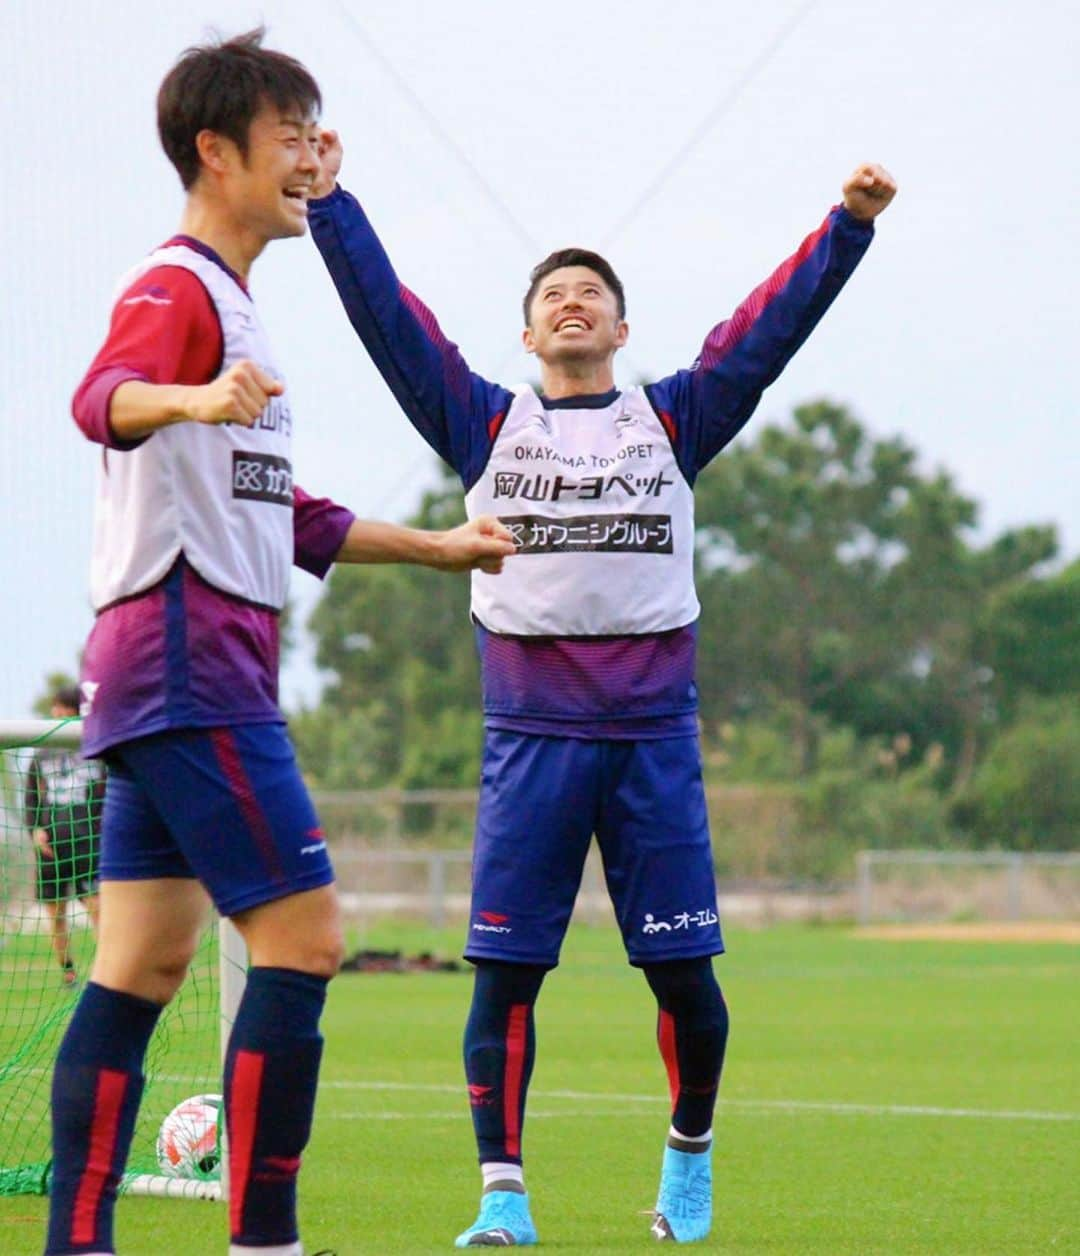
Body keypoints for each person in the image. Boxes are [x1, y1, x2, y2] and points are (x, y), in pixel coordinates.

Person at [308, 137, 896, 1245]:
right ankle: (502, 1198)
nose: (573, 302)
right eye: (553, 296)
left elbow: (763, 336)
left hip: (651, 737)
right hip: (530, 734)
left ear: (621, 330)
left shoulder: (671, 420)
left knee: (686, 981)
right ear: (528, 334)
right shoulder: (485, 422)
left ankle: (687, 1158)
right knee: (504, 976)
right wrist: (333, 203)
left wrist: (847, 226)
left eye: (592, 294)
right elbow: (392, 322)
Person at [46, 31, 515, 1256]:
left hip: (164, 672)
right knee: (304, 941)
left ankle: (75, 1241)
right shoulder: (180, 287)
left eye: (320, 129)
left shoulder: (241, 309)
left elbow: (284, 513)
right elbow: (101, 396)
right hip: (192, 663)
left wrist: (440, 547)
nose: (310, 151)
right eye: (290, 130)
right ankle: (266, 1241)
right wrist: (190, 395)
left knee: (140, 965)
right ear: (218, 150)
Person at [24, 685, 105, 987]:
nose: (58, 713)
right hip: (51, 849)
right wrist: (35, 829)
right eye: (55, 707)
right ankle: (68, 971)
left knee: (99, 909)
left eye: (65, 707)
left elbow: (108, 796)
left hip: (88, 846)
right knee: (55, 913)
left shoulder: (96, 749)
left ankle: (104, 974)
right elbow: (31, 798)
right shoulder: (41, 754)